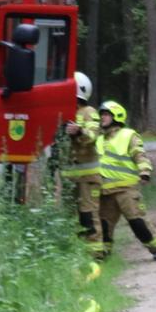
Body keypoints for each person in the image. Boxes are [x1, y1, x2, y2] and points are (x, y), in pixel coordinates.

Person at [87, 100, 156, 261]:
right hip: (106, 192)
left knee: (137, 222)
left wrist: (144, 171)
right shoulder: (99, 140)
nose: (102, 118)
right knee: (104, 226)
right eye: (101, 115)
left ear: (117, 116)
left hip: (126, 190)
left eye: (106, 115)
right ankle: (103, 255)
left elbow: (139, 154)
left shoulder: (128, 135)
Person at [62, 72, 102, 237]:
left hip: (88, 177)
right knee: (72, 217)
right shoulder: (64, 112)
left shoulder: (88, 112)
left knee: (89, 215)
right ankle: (79, 253)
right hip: (71, 178)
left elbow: (93, 135)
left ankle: (96, 253)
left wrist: (79, 131)